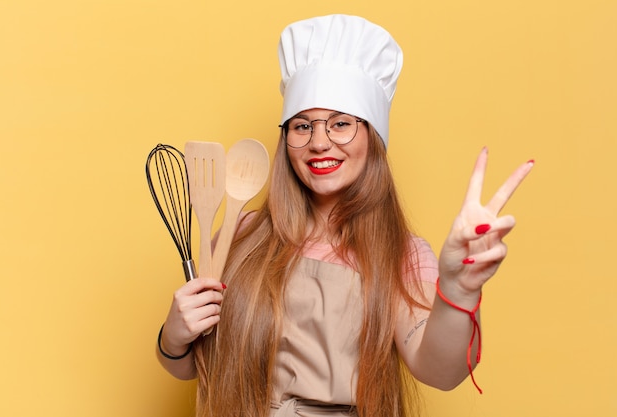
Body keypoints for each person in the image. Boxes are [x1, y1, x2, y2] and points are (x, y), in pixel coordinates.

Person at [156, 14, 533, 417]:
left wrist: (458, 290)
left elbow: (439, 370)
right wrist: (174, 337)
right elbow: (199, 368)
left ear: (373, 136)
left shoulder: (402, 254)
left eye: (340, 124)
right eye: (302, 126)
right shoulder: (243, 232)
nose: (319, 142)